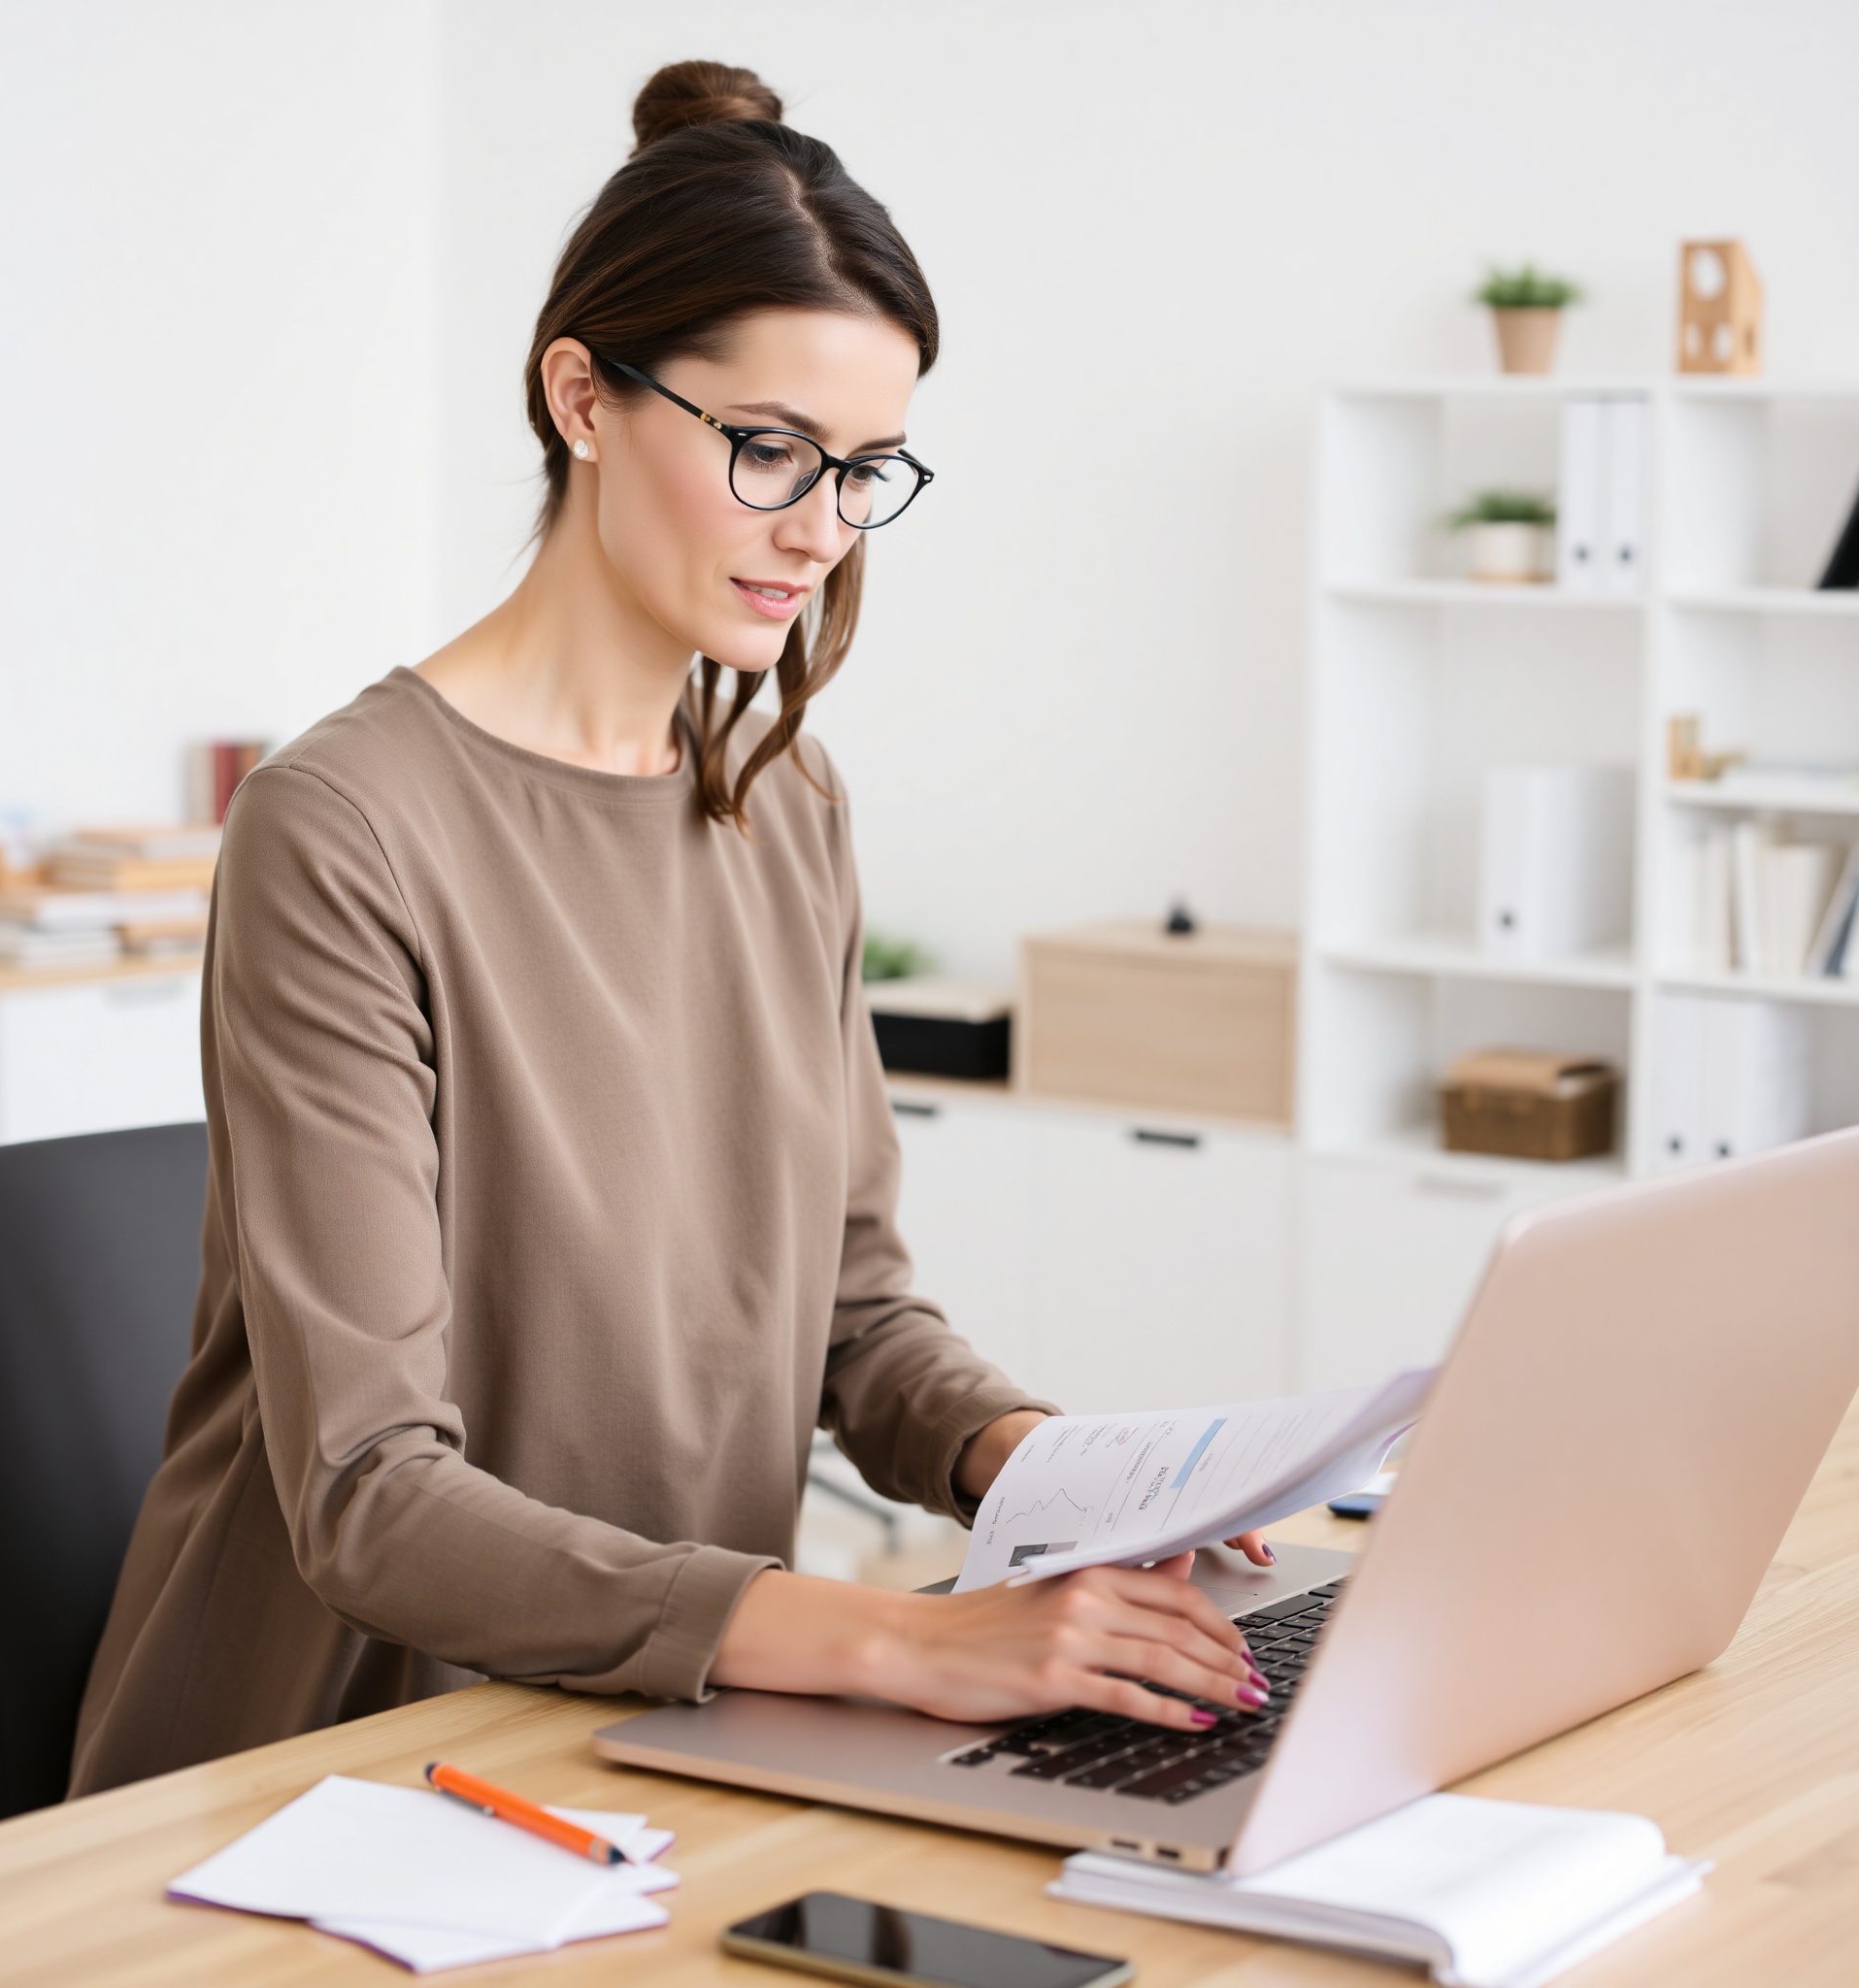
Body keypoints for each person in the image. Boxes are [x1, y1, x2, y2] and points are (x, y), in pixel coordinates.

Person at [70, 60, 1272, 1798]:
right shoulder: (341, 825)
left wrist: (1065, 1477)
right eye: (771, 450)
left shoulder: (791, 804)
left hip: (678, 1723)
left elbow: (856, 1322)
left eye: (867, 471)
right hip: (349, 1760)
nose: (819, 531)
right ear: (580, 393)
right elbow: (370, 1497)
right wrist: (901, 1641)